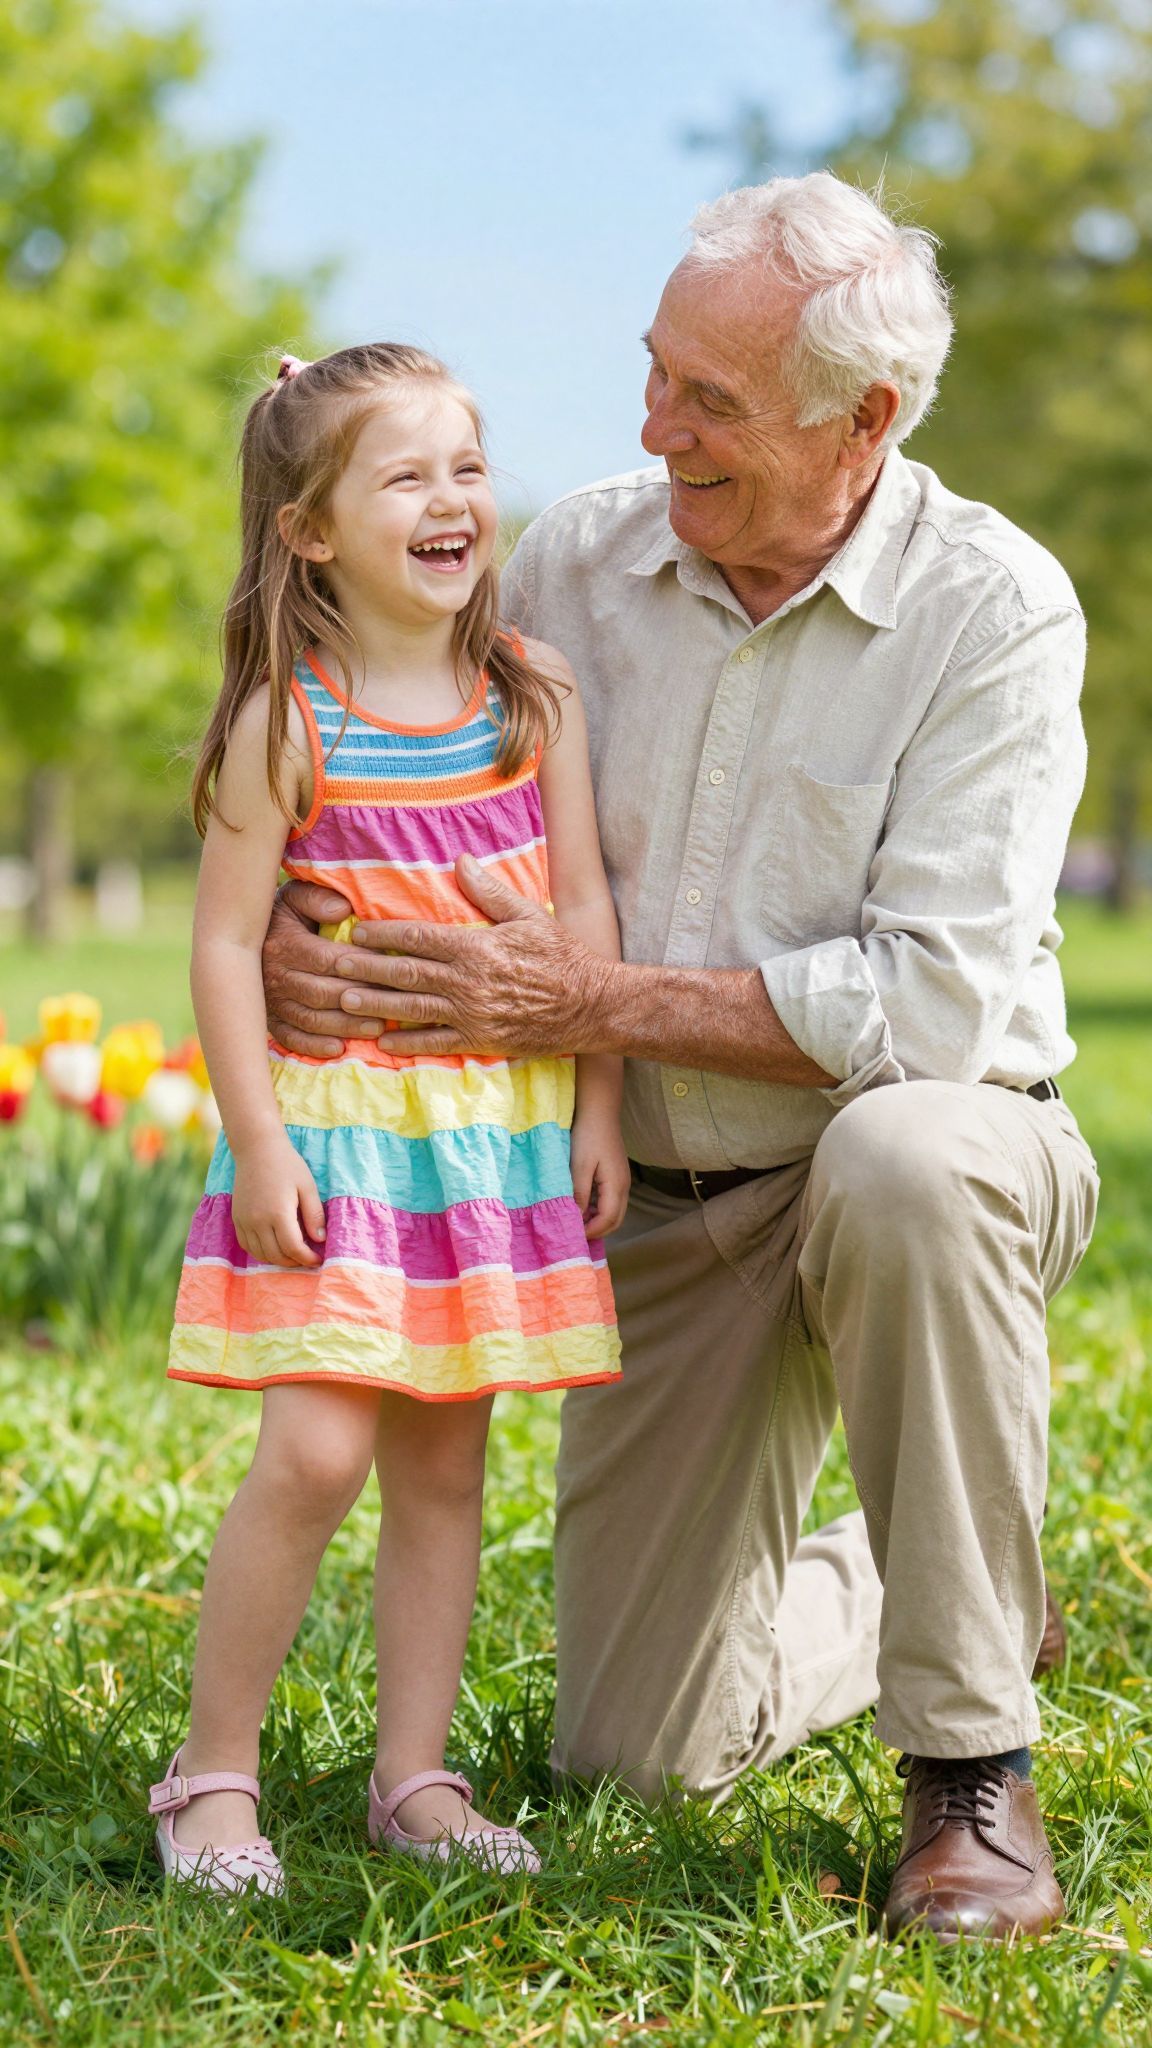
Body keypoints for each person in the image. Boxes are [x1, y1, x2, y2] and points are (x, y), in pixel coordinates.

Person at [259, 177, 1100, 1942]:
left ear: (864, 417)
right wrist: (289, 927)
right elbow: (375, 733)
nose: (655, 429)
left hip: (929, 1154)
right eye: (655, 372)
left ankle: (972, 1779)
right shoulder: (575, 560)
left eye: (710, 401)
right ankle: (943, 1591)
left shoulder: (993, 610)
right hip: (669, 1204)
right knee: (632, 1757)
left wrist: (583, 1004)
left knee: (906, 1156)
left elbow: (933, 1011)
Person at [153, 343, 626, 1896]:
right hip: (340, 1138)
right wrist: (260, 1141)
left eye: (467, 467)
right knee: (311, 1452)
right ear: (309, 532)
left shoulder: (532, 695)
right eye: (406, 475)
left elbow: (581, 915)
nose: (452, 501)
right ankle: (211, 1778)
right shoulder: (286, 722)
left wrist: (600, 1104)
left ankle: (413, 1779)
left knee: (443, 1469)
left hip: (485, 1145)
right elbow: (224, 945)